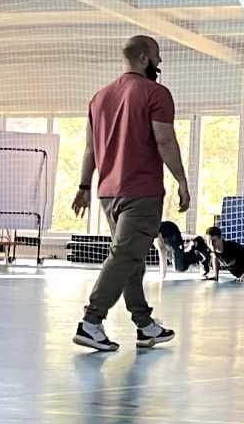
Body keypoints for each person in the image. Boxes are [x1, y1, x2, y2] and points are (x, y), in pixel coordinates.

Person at [71, 35, 187, 352]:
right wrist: (181, 180)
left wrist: (84, 186)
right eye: (156, 56)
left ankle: (145, 325)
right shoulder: (156, 93)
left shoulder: (99, 97)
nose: (160, 62)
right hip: (141, 191)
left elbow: (90, 149)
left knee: (130, 258)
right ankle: (91, 321)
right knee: (125, 256)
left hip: (108, 193)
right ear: (143, 58)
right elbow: (164, 140)